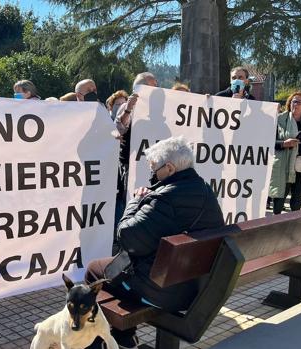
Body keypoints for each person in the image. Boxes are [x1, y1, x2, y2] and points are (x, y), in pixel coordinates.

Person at [85, 136, 224, 349]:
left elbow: (127, 238)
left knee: (94, 270)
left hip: (165, 291)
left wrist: (135, 202)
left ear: (169, 168)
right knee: (115, 267)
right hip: (197, 287)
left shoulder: (165, 198)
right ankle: (124, 337)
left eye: (153, 168)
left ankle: (98, 341)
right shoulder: (204, 189)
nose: (152, 173)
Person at [113, 73, 158, 239]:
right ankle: (127, 239)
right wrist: (129, 108)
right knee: (132, 203)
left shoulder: (161, 107)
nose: (156, 90)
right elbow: (119, 129)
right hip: (131, 166)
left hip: (155, 167)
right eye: (151, 87)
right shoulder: (127, 107)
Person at [269, 92, 301, 214]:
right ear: (289, 104)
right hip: (283, 164)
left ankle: (294, 223)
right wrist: (284, 143)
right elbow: (268, 142)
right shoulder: (279, 120)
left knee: (297, 196)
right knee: (280, 195)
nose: (296, 104)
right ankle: (276, 221)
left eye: (299, 102)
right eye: (293, 101)